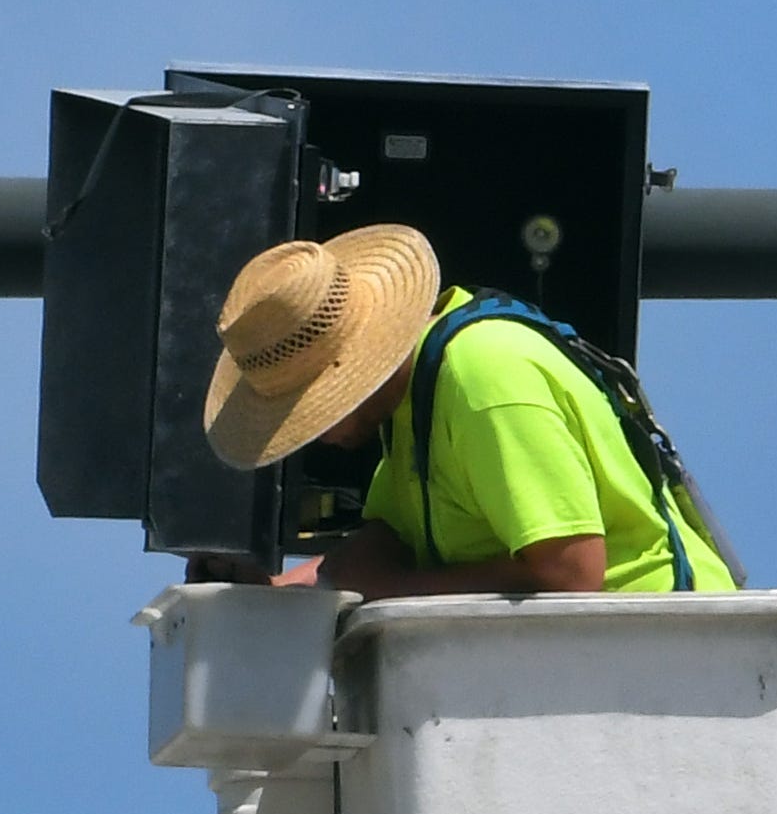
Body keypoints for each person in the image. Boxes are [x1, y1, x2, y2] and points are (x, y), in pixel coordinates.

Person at [198, 224, 732, 599]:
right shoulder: (415, 394)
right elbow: (387, 545)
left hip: (665, 660)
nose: (314, 437)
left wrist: (390, 590)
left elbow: (571, 574)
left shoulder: (483, 377)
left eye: (307, 413)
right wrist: (274, 591)